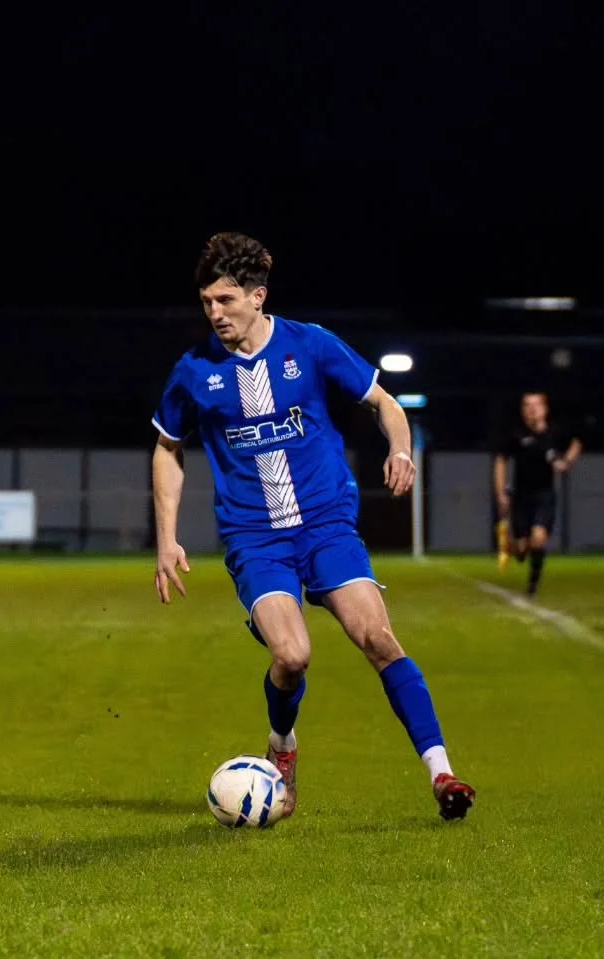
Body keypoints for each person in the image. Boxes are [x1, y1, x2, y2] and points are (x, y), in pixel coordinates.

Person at [150, 232, 475, 820]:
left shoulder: (311, 345)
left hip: (327, 526)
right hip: (257, 539)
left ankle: (442, 773)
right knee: (293, 656)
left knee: (377, 638)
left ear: (257, 296)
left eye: (224, 301)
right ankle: (283, 746)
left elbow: (386, 404)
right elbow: (167, 447)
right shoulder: (195, 371)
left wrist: (401, 450)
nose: (214, 314)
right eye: (206, 303)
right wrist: (167, 538)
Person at [493, 392, 581, 598]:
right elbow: (501, 460)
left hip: (544, 495)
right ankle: (514, 548)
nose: (532, 409)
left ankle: (533, 585)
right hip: (521, 497)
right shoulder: (516, 435)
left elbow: (576, 443)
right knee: (522, 549)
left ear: (544, 409)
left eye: (536, 405)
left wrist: (566, 462)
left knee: (538, 539)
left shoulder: (554, 433)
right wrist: (500, 492)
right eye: (527, 405)